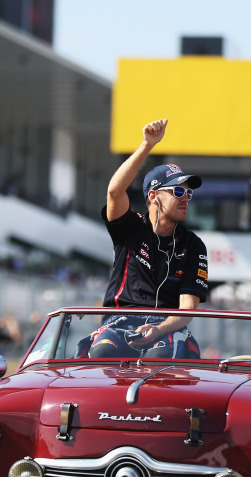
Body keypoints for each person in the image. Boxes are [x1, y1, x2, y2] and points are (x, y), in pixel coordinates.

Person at [89, 119, 208, 359]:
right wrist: (146, 145)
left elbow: (187, 309)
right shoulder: (129, 227)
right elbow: (114, 192)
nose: (185, 198)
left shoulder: (194, 244)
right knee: (100, 353)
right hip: (119, 320)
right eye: (177, 191)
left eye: (188, 192)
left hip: (167, 325)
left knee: (158, 359)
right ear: (153, 196)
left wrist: (158, 329)